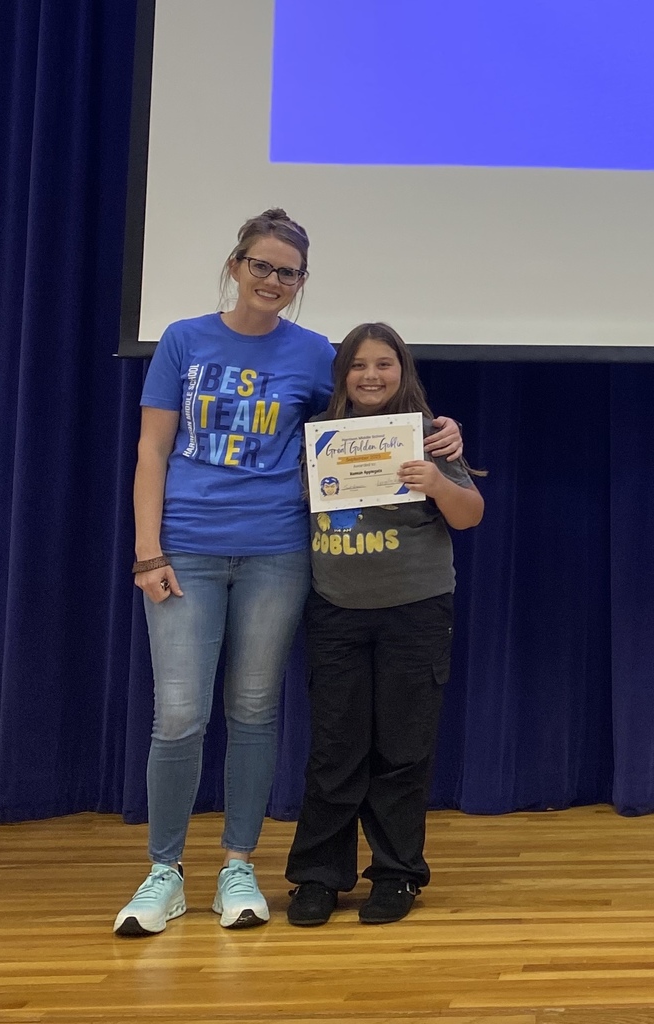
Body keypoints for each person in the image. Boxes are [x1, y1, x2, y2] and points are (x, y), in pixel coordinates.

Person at [113, 211, 463, 937]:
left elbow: (366, 419)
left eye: (289, 272)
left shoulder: (314, 353)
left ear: (303, 282)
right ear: (237, 264)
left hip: (279, 551)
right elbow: (151, 452)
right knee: (179, 714)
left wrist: (441, 432)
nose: (273, 280)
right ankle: (164, 872)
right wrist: (148, 549)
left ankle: (238, 863)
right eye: (262, 265)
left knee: (252, 710)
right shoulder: (182, 339)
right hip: (186, 550)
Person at [286, 322, 484, 927]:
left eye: (385, 364)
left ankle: (397, 875)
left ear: (403, 372)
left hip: (417, 611)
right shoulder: (316, 436)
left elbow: (471, 515)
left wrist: (436, 483)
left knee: (403, 749)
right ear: (341, 373)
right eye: (358, 365)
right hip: (338, 611)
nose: (371, 376)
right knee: (335, 749)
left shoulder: (428, 437)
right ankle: (319, 878)